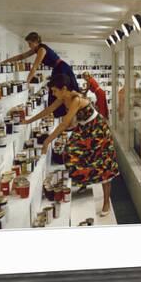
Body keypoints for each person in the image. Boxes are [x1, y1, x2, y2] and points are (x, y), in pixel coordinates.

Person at [24, 74, 119, 216]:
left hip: (97, 130)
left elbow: (64, 123)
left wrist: (47, 141)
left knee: (103, 166)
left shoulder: (76, 100)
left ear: (63, 89)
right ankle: (83, 180)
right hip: (85, 129)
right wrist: (29, 120)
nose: (53, 94)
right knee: (70, 153)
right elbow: (48, 110)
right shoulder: (63, 97)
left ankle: (106, 203)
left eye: (55, 91)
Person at [1, 32, 79, 117]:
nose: (29, 45)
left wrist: (27, 82)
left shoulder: (42, 50)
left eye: (30, 43)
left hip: (62, 68)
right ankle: (64, 115)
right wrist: (5, 61)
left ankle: (69, 114)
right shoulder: (36, 49)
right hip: (57, 68)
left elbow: (34, 67)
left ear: (36, 42)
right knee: (54, 92)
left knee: (63, 91)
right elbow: (21, 56)